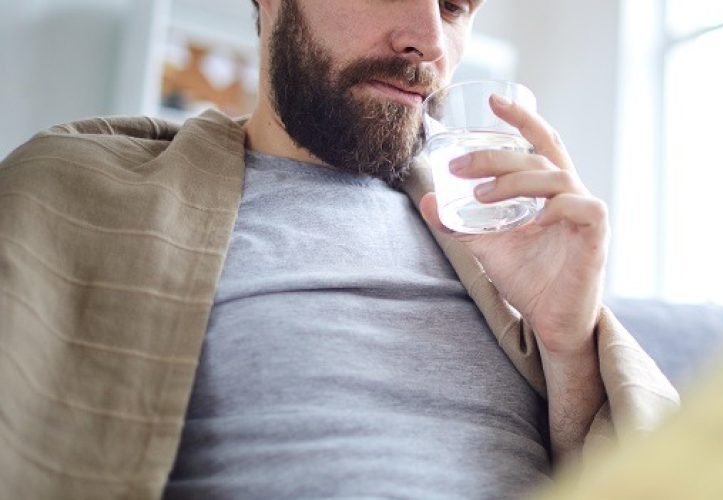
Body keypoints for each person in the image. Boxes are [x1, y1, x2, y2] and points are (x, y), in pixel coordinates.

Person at [0, 0, 679, 498]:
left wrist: (568, 343)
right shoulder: (85, 191)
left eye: (454, 6)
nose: (427, 41)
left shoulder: (495, 237)